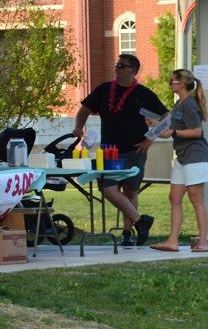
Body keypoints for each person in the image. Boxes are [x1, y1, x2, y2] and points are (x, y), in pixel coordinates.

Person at [71, 52, 165, 246]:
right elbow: (84, 109)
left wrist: (151, 138)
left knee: (131, 192)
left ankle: (128, 235)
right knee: (108, 189)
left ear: (134, 71)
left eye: (121, 66)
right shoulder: (104, 90)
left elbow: (166, 117)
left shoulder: (143, 94)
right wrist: (79, 127)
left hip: (135, 150)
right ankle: (141, 221)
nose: (117, 69)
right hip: (108, 150)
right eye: (116, 65)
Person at [145, 69, 208, 253]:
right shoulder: (179, 104)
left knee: (196, 200)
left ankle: (204, 242)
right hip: (182, 157)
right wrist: (156, 125)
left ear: (181, 84)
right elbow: (171, 129)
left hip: (195, 156)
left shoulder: (190, 104)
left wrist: (172, 132)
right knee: (174, 198)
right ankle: (172, 241)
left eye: (172, 81)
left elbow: (197, 132)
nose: (170, 84)